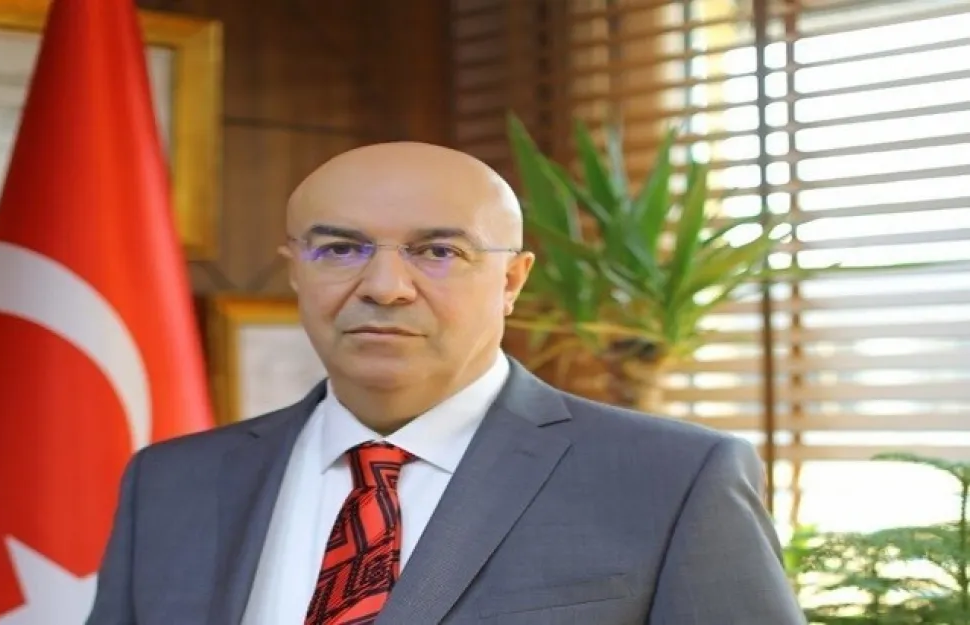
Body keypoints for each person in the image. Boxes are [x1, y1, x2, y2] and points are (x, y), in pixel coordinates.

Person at [86, 142, 807, 624]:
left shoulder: (671, 479)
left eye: (437, 251)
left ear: (511, 281)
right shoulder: (170, 482)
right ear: (296, 270)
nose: (385, 286)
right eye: (340, 248)